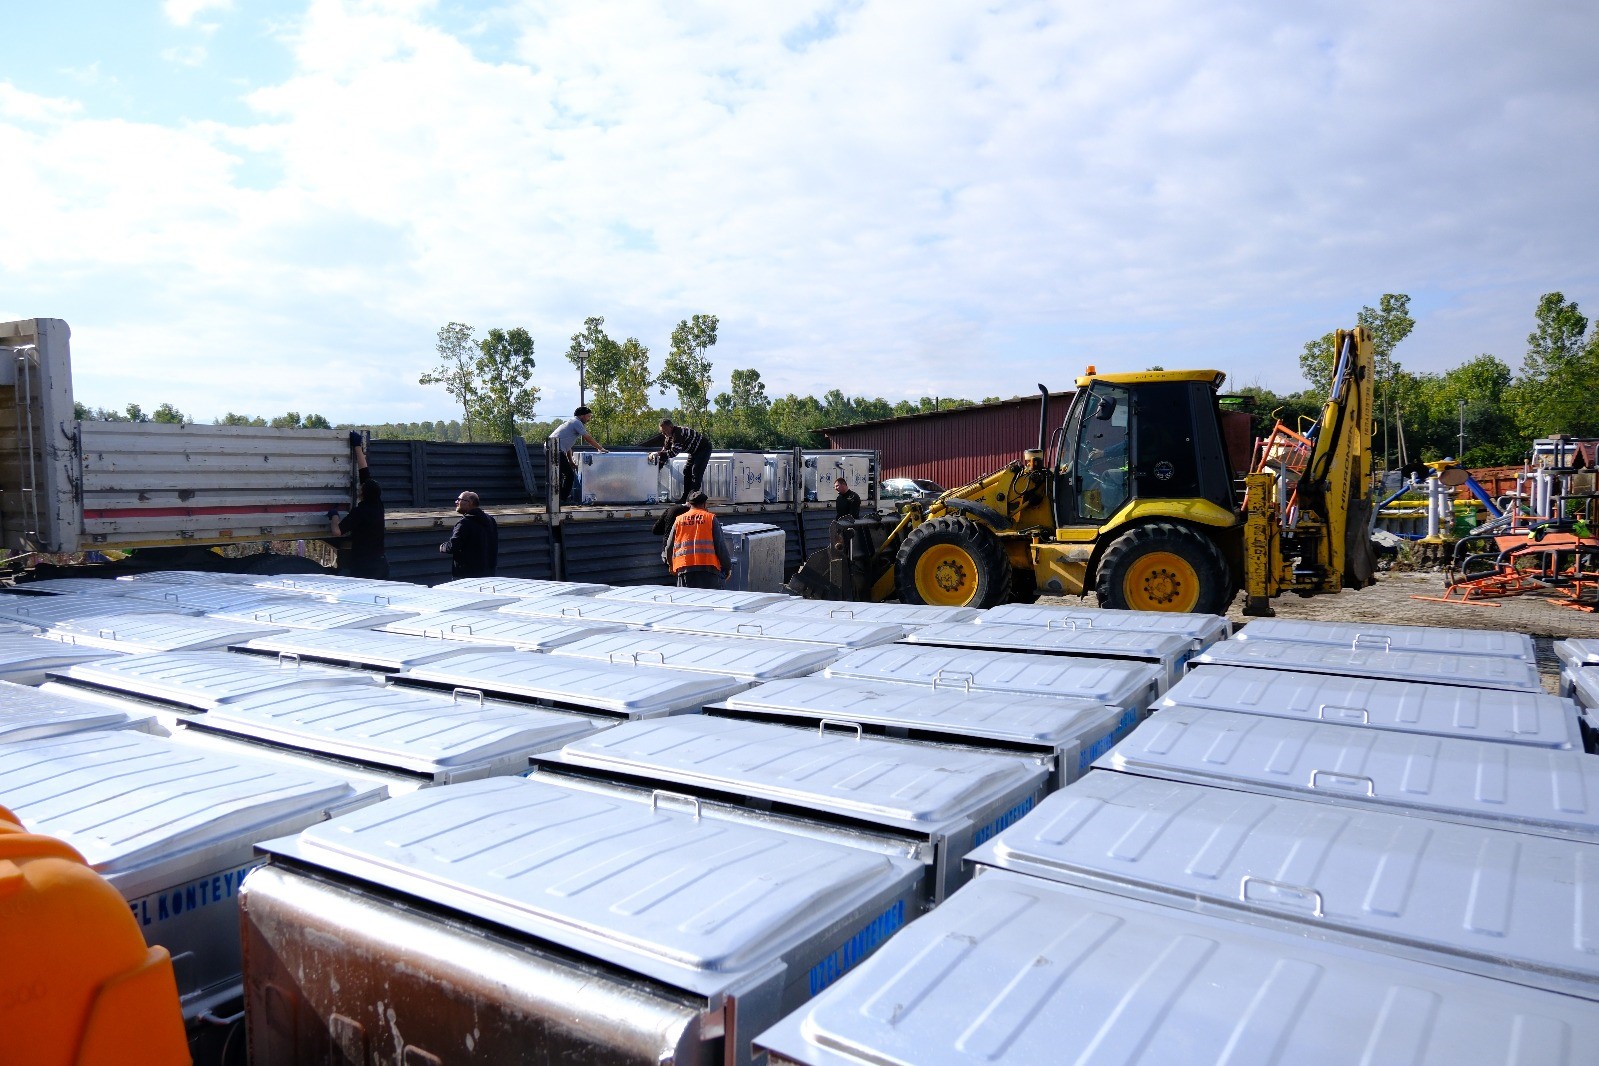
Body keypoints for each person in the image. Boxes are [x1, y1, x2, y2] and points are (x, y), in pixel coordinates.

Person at [328, 432, 389, 578]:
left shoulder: (360, 512)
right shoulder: (378, 505)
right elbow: (365, 474)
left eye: (361, 489)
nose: (359, 489)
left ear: (364, 494)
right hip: (380, 564)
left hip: (365, 566)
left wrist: (334, 516)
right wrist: (357, 448)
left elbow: (337, 532)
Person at [663, 491, 730, 588]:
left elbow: (669, 546)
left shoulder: (679, 520)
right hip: (708, 568)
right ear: (704, 504)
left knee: (687, 600)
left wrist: (671, 565)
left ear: (690, 504)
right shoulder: (710, 518)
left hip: (684, 568)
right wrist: (727, 567)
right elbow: (720, 546)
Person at [549, 405, 606, 504]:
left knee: (559, 475)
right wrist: (600, 448)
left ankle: (557, 499)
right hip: (555, 449)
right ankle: (562, 499)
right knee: (569, 475)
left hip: (552, 448)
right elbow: (587, 438)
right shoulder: (576, 422)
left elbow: (567, 447)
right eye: (588, 416)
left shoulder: (570, 423)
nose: (589, 419)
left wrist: (570, 461)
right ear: (582, 416)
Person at [649, 418, 713, 503]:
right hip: (694, 451)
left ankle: (692, 501)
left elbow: (673, 453)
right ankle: (685, 497)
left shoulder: (678, 433)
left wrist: (657, 453)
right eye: (661, 431)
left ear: (671, 427)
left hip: (704, 449)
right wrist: (656, 470)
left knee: (696, 472)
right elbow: (664, 454)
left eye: (664, 431)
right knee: (687, 471)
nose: (663, 433)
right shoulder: (668, 437)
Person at [439, 489, 498, 578]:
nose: (456, 502)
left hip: (466, 578)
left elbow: (453, 546)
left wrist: (442, 547)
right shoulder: (490, 520)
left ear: (470, 502)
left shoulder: (464, 523)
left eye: (459, 499)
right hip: (487, 575)